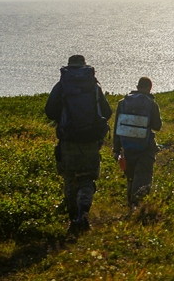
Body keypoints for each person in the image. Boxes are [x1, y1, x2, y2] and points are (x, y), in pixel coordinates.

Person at [45, 55, 112, 233]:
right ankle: (83, 214)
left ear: (68, 66)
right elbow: (107, 112)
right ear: (85, 66)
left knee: (70, 179)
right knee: (87, 178)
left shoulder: (62, 85)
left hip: (68, 140)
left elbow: (49, 111)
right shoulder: (94, 86)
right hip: (90, 140)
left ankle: (73, 220)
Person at [112, 77, 162, 208]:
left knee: (130, 177)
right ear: (150, 88)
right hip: (145, 148)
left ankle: (130, 205)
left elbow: (117, 128)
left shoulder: (122, 103)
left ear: (137, 86)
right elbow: (157, 126)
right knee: (143, 176)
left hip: (127, 147)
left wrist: (116, 149)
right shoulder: (151, 104)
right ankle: (138, 207)